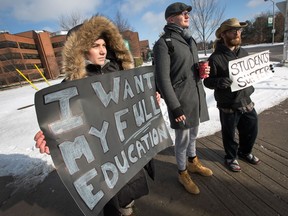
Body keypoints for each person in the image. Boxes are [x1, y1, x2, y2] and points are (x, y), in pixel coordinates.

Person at [34, 15, 158, 216]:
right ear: (81, 50)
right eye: (95, 45)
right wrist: (50, 135)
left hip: (127, 153)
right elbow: (62, 123)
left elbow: (133, 104)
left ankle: (126, 205)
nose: (103, 50)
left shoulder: (120, 72)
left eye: (104, 44)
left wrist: (149, 100)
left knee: (127, 198)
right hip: (101, 162)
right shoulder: (69, 88)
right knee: (111, 204)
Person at [153, 2, 213, 195]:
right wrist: (175, 108)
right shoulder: (164, 44)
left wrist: (203, 70)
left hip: (196, 96)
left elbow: (189, 68)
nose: (187, 16)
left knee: (194, 133)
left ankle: (193, 162)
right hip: (181, 101)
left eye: (187, 13)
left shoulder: (190, 40)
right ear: (171, 19)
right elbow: (162, 79)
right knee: (182, 139)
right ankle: (182, 172)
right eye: (182, 13)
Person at [204, 18, 260, 172]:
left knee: (252, 129)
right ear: (223, 35)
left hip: (246, 100)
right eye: (232, 31)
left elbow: (252, 71)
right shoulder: (215, 58)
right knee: (229, 134)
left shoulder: (244, 52)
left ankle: (245, 152)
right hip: (228, 104)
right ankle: (231, 157)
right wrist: (218, 82)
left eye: (239, 30)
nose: (237, 33)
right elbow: (207, 82)